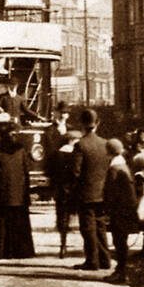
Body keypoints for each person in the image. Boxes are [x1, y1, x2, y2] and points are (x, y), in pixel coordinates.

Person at [0, 114, 35, 259]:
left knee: (0, 223)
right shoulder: (21, 149)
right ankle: (21, 251)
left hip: (1, 195)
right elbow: (26, 170)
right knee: (19, 222)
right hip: (19, 195)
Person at [71, 108, 112, 272]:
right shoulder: (105, 143)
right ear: (98, 123)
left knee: (87, 227)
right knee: (100, 226)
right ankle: (105, 259)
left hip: (86, 194)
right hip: (102, 193)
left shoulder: (81, 145)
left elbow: (75, 172)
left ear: (81, 123)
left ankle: (92, 260)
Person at [103, 138, 138, 285]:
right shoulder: (123, 165)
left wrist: (107, 211)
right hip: (127, 209)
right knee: (121, 242)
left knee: (119, 242)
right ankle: (121, 270)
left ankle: (121, 272)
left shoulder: (114, 169)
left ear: (109, 152)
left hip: (119, 212)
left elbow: (110, 193)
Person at [46, 126, 80, 258]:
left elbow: (49, 172)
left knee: (63, 218)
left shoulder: (56, 154)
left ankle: (63, 245)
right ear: (71, 140)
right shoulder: (77, 154)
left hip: (60, 191)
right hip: (75, 190)